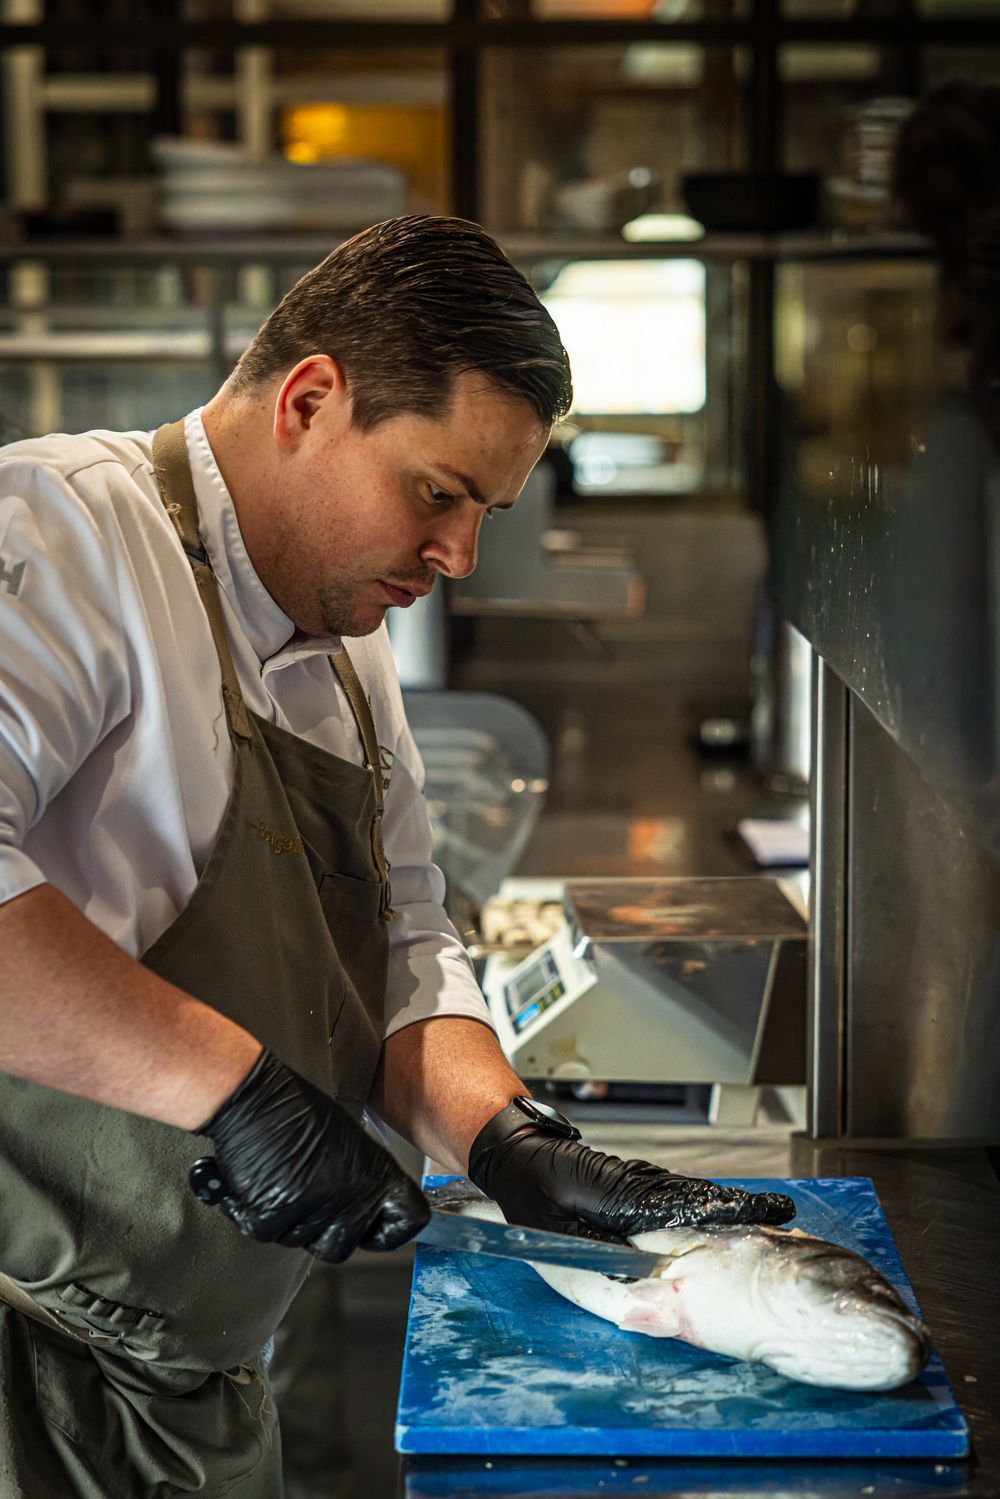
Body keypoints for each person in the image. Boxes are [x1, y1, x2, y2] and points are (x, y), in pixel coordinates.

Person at [0, 214, 794, 1497]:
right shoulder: (59, 536)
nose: (458, 557)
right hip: (22, 1364)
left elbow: (408, 936)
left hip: (187, 1373)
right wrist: (238, 1092)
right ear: (310, 400)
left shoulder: (346, 637)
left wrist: (504, 1140)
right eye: (438, 492)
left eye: (483, 512)